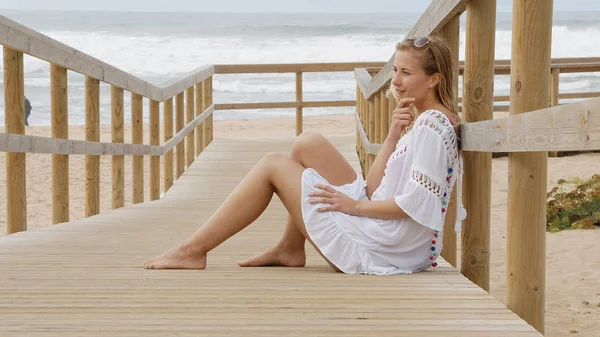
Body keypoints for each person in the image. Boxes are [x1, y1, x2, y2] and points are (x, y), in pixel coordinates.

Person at [144, 36, 466, 275]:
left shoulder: (431, 128)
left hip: (385, 246)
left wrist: (352, 206)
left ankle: (193, 250)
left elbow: (416, 204)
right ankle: (290, 248)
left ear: (434, 79)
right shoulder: (426, 120)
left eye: (406, 73)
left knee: (272, 165)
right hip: (390, 233)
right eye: (394, 70)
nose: (395, 81)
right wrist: (393, 136)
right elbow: (373, 185)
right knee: (306, 144)